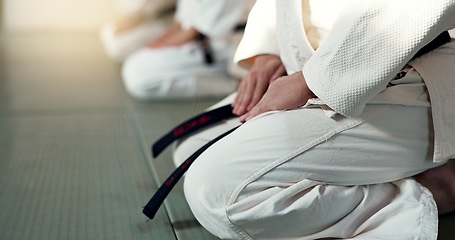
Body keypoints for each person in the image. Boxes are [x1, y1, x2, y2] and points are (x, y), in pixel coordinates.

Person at [172, 0, 455, 239]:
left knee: (218, 195)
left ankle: (425, 195)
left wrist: (311, 82)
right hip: (309, 64)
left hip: (409, 69)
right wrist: (269, 49)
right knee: (191, 147)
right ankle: (399, 177)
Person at [121, 0, 254, 100]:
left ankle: (237, 85)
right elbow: (179, 24)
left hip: (225, 45)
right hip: (200, 40)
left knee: (138, 78)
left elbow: (193, 33)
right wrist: (152, 47)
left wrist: (153, 50)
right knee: (131, 63)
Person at [100, 0, 177, 62]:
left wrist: (135, 17)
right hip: (149, 15)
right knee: (107, 32)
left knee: (118, 48)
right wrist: (132, 17)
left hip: (172, 16)